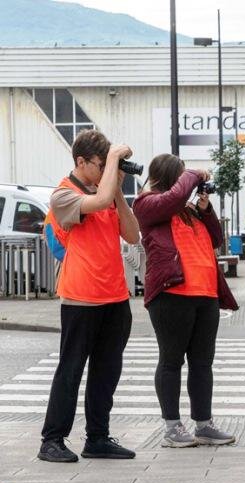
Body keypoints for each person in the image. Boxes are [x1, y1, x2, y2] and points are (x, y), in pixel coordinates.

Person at [38, 129, 140, 463]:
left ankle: (97, 437)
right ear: (81, 162)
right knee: (71, 369)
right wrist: (112, 167)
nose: (105, 169)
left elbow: (132, 232)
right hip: (81, 297)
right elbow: (94, 203)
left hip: (115, 296)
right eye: (101, 163)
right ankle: (51, 440)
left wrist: (118, 190)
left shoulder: (107, 191)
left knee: (106, 371)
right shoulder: (63, 195)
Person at [133, 154, 238, 448]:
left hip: (205, 295)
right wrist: (193, 173)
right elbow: (174, 196)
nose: (186, 185)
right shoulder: (147, 204)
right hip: (171, 295)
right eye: (180, 177)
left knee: (202, 363)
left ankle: (203, 425)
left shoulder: (188, 210)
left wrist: (206, 210)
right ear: (170, 178)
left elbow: (216, 238)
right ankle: (172, 428)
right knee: (171, 360)